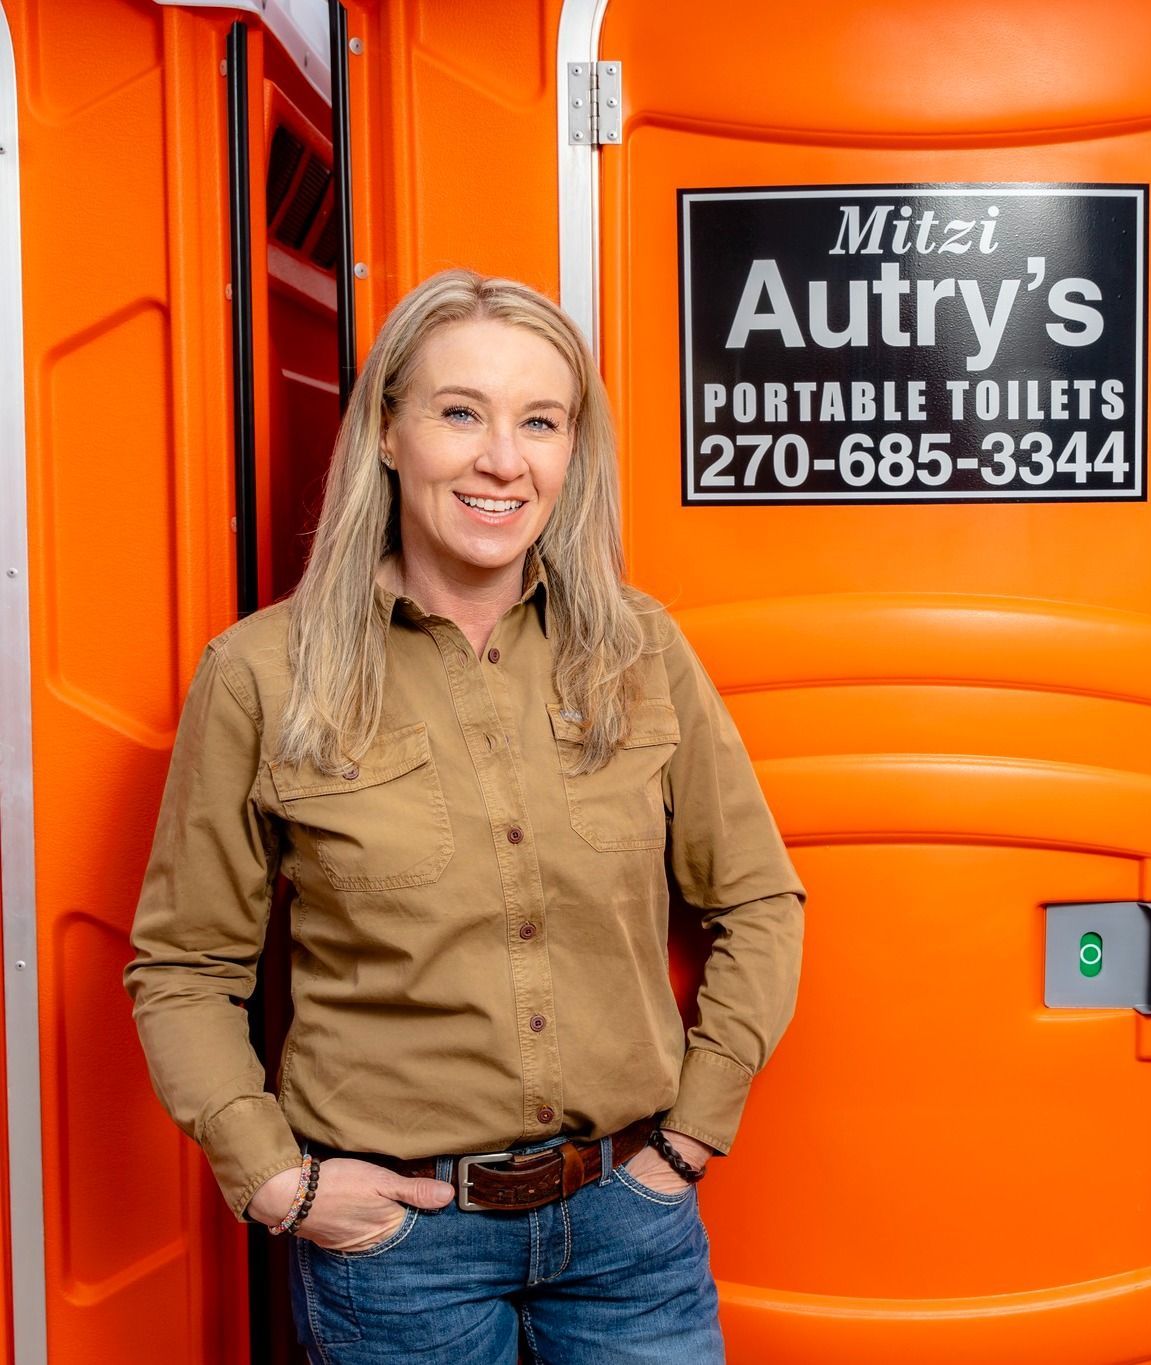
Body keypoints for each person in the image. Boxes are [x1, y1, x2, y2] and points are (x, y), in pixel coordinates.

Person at [123, 267, 806, 1363]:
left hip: (630, 1231)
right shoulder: (262, 673)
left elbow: (761, 898)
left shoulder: (638, 651)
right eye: (460, 413)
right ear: (388, 432)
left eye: (541, 421)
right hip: (397, 1256)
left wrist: (686, 1142)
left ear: (572, 451)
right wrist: (279, 1183)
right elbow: (184, 965)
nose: (504, 459)